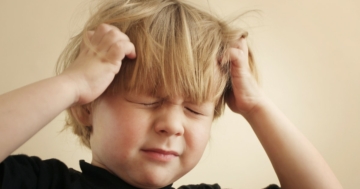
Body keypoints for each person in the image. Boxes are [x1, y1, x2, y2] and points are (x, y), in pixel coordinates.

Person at [0, 0, 343, 188]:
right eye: (150, 101)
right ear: (87, 107)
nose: (173, 125)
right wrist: (73, 84)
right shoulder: (37, 182)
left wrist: (256, 106)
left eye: (195, 110)